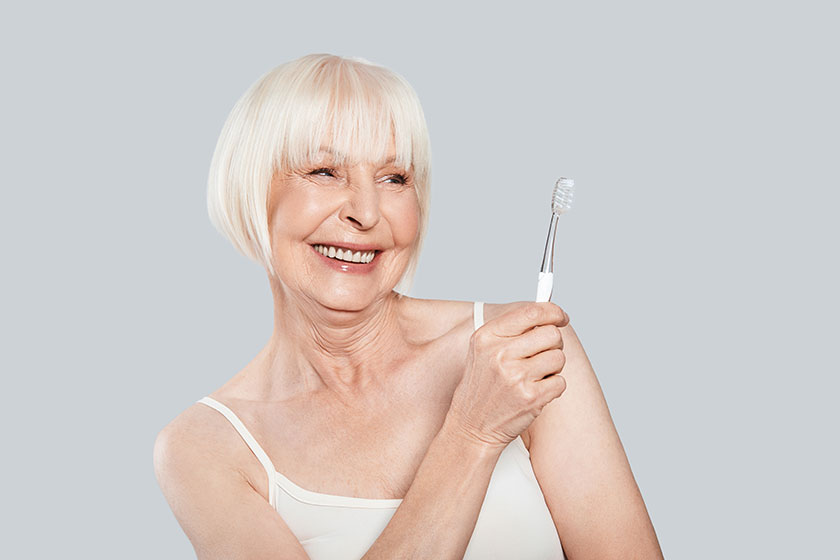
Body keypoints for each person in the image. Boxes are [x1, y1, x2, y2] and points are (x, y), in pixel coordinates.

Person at [153, 53, 663, 560]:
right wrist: (471, 434)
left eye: (394, 178)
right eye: (324, 171)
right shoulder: (204, 448)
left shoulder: (524, 354)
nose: (366, 212)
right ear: (248, 190)